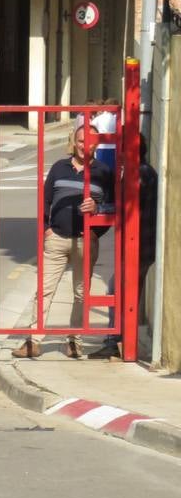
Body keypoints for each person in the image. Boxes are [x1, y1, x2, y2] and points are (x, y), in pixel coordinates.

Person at [12, 124, 112, 359]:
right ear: (73, 142)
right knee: (44, 290)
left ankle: (74, 340)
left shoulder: (103, 172)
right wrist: (46, 229)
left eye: (88, 142)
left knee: (81, 293)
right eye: (79, 141)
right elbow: (45, 201)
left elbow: (112, 207)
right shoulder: (59, 167)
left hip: (85, 240)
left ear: (96, 144)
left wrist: (97, 224)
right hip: (56, 238)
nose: (83, 146)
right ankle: (33, 341)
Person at [90, 135, 157, 360]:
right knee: (124, 291)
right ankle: (120, 339)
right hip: (140, 245)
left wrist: (101, 208)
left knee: (117, 290)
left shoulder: (140, 173)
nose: (119, 154)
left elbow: (126, 206)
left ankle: (117, 340)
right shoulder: (141, 171)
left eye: (123, 149)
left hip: (138, 245)